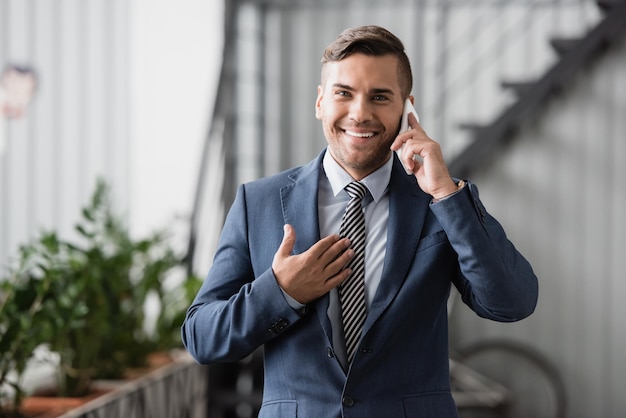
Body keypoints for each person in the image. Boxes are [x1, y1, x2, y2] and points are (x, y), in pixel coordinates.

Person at [182, 25, 538, 417]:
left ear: (407, 108)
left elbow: (512, 302)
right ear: (320, 102)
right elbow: (202, 338)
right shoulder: (259, 202)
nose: (360, 113)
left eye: (380, 96)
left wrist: (447, 195)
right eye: (343, 93)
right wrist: (282, 291)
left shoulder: (438, 201)